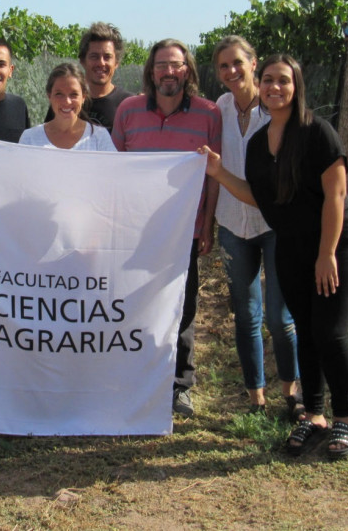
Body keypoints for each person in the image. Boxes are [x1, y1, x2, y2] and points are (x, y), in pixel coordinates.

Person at [201, 53, 348, 460]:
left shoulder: (317, 132)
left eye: (283, 81)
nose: (274, 87)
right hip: (290, 248)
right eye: (269, 80)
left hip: (333, 246)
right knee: (306, 332)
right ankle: (314, 415)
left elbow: (336, 195)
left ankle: (345, 418)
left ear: (297, 86)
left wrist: (327, 254)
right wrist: (219, 173)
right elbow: (259, 197)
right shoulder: (259, 143)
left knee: (331, 332)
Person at [112, 39, 221, 418]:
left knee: (183, 307)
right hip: (133, 232)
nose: (169, 72)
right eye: (161, 65)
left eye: (176, 65)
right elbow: (115, 172)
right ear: (151, 71)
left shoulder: (209, 115)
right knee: (133, 303)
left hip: (182, 233)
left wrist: (207, 225)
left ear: (187, 70)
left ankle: (180, 385)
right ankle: (135, 375)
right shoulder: (128, 111)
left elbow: (212, 178)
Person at [212, 36, 301, 419]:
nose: (232, 72)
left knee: (279, 318)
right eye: (223, 67)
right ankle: (256, 400)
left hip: (275, 226)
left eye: (238, 63)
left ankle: (292, 394)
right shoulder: (220, 108)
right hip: (232, 224)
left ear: (253, 63)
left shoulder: (276, 112)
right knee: (246, 317)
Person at [44, 22, 132, 132]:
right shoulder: (64, 103)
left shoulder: (128, 104)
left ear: (116, 62)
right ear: (82, 61)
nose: (101, 63)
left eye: (107, 57)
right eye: (94, 57)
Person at [20, 63, 117, 151]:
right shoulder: (29, 138)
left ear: (83, 97)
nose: (67, 101)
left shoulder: (99, 137)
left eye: (74, 94)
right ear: (49, 96)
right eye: (59, 94)